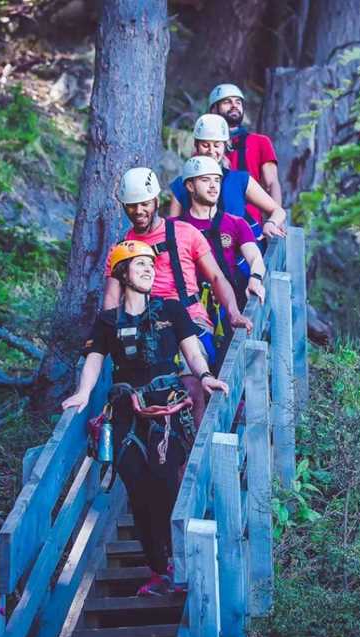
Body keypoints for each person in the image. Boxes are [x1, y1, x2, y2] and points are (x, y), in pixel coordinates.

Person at [63, 241, 229, 597]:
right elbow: (94, 359)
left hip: (165, 410)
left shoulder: (171, 309)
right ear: (122, 273)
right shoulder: (107, 321)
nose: (148, 270)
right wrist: (82, 392)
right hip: (126, 415)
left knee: (167, 483)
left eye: (151, 265)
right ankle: (158, 570)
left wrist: (204, 376)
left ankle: (180, 563)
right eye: (139, 265)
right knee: (139, 492)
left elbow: (192, 350)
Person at [103, 167, 252, 424]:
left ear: (156, 201)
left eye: (144, 204)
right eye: (132, 206)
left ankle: (196, 457)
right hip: (142, 325)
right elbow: (111, 301)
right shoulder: (121, 250)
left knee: (190, 386)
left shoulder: (186, 233)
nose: (139, 212)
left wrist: (234, 312)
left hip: (188, 320)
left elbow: (217, 277)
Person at [175, 155, 267, 365]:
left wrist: (255, 277)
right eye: (205, 180)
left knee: (231, 361)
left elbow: (254, 256)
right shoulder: (174, 227)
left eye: (216, 180)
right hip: (190, 305)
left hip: (230, 302)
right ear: (190, 185)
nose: (213, 186)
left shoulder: (236, 223)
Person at [168, 114, 286, 245]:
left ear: (225, 146)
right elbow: (172, 230)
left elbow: (278, 211)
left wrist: (271, 223)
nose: (211, 151)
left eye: (217, 145)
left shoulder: (241, 180)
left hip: (242, 256)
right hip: (198, 255)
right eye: (205, 145)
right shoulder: (181, 184)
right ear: (197, 145)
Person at [208, 83, 283, 222]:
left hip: (250, 223)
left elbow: (272, 182)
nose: (234, 105)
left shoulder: (260, 142)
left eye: (238, 102)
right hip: (212, 221)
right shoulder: (205, 147)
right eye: (227, 102)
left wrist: (276, 219)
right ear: (214, 109)